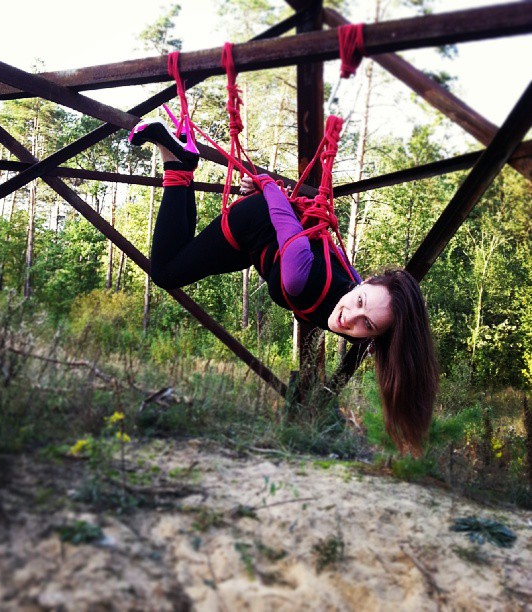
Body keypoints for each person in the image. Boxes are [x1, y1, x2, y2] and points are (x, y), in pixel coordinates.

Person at [129, 117, 439, 456]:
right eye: (360, 301)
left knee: (183, 257)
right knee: (167, 271)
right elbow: (285, 218)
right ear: (364, 284)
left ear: (377, 335)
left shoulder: (361, 309)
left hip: (265, 248)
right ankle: (178, 163)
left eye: (367, 323)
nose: (350, 317)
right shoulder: (299, 277)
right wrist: (265, 184)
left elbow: (400, 352)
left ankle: (182, 162)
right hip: (258, 223)